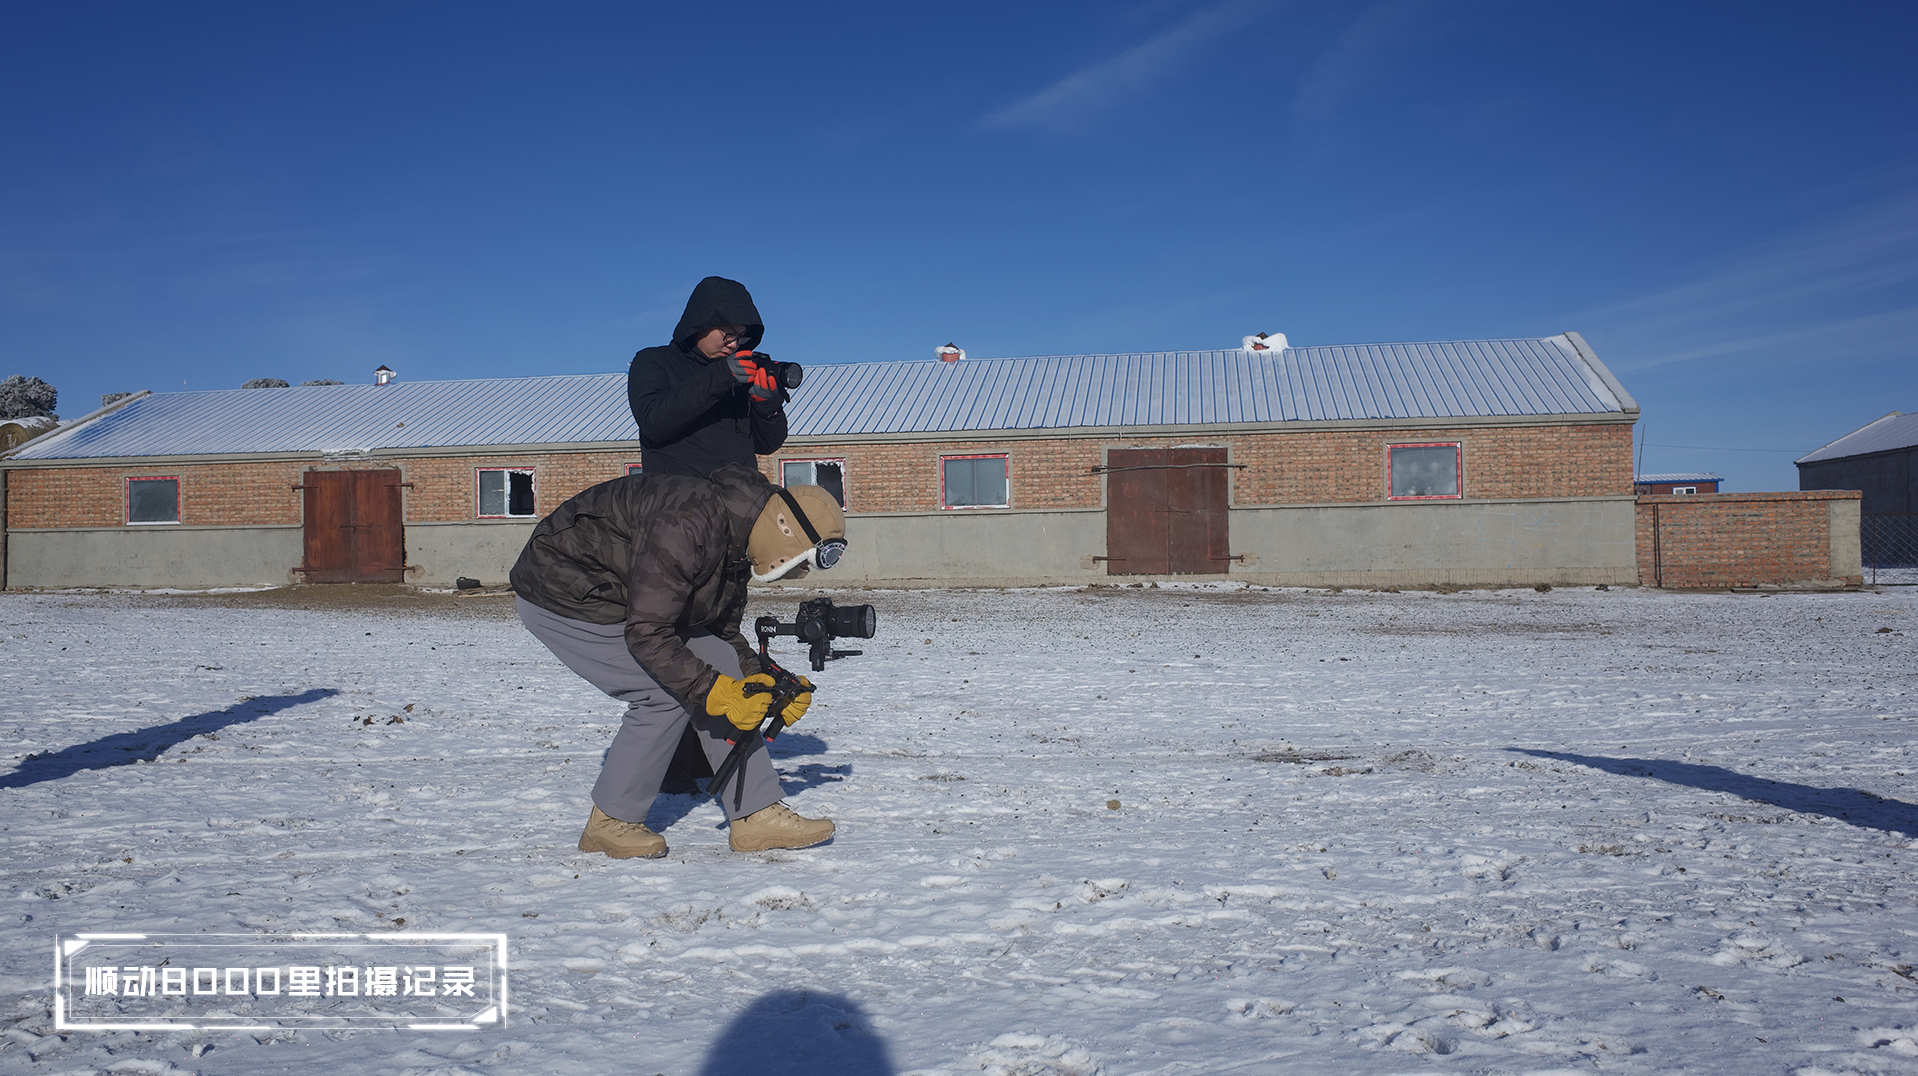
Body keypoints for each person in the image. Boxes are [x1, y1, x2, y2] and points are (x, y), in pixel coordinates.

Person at [509, 462, 848, 858]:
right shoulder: (687, 522)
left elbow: (721, 633)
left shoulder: (739, 538)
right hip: (562, 592)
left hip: (627, 600)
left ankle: (755, 814)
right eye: (805, 558)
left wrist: (763, 684)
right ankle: (610, 822)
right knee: (664, 691)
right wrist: (717, 692)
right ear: (785, 531)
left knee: (719, 668)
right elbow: (648, 633)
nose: (804, 570)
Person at [628, 276, 789, 479]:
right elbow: (654, 423)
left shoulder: (741, 375)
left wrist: (768, 407)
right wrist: (721, 375)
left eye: (741, 337)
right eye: (729, 334)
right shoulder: (653, 361)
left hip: (740, 501)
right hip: (678, 502)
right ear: (701, 323)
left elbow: (766, 445)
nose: (734, 344)